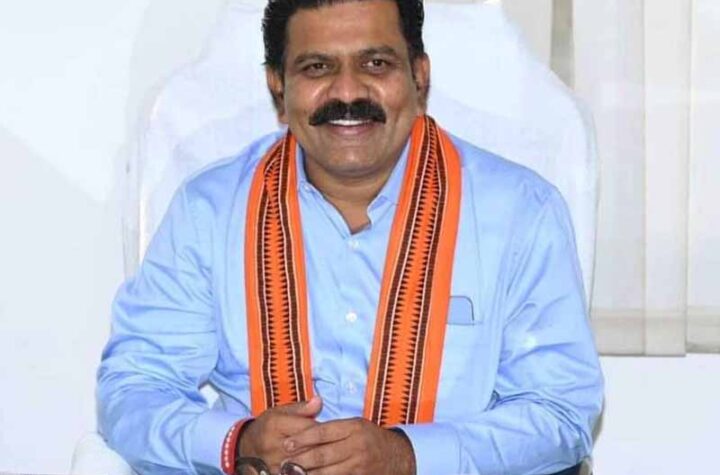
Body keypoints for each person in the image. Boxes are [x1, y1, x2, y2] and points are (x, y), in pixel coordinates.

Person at [97, 0, 603, 474]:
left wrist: (406, 455)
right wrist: (238, 441)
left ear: (419, 76)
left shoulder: (519, 212)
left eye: (375, 64)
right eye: (317, 68)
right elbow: (134, 387)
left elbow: (560, 411)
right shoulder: (209, 210)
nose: (346, 93)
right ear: (278, 88)